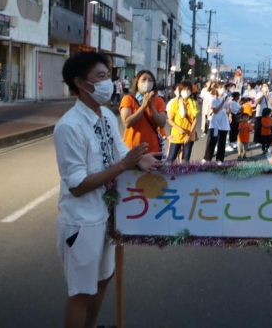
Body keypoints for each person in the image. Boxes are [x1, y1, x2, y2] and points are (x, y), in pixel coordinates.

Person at [54, 52, 161, 328]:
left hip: (108, 215)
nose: (108, 82)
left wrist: (140, 161)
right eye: (100, 77)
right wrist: (125, 165)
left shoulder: (106, 117)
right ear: (80, 83)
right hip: (81, 221)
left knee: (103, 279)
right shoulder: (68, 126)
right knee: (80, 292)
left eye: (108, 76)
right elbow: (77, 185)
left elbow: (122, 151)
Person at [119, 70, 167, 153]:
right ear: (137, 83)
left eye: (150, 80)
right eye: (144, 79)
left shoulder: (159, 100)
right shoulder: (128, 99)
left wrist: (151, 105)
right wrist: (143, 106)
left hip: (153, 149)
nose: (147, 82)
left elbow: (162, 123)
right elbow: (127, 123)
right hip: (132, 149)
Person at [167, 81, 199, 163]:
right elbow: (170, 120)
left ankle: (183, 174)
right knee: (171, 159)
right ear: (180, 91)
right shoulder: (175, 103)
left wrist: (190, 134)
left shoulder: (194, 103)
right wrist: (179, 129)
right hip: (177, 134)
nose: (186, 91)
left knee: (185, 160)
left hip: (189, 135)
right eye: (184, 89)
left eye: (188, 89)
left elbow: (195, 120)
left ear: (191, 91)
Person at [203, 82, 231, 163]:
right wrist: (222, 102)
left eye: (223, 87)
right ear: (216, 89)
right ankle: (207, 158)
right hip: (215, 122)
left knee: (222, 142)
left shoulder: (227, 98)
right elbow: (215, 110)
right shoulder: (213, 99)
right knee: (212, 140)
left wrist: (229, 104)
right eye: (220, 87)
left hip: (224, 122)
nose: (222, 89)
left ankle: (220, 159)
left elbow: (228, 110)